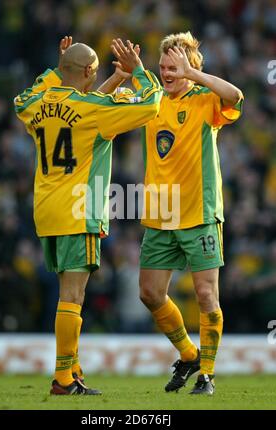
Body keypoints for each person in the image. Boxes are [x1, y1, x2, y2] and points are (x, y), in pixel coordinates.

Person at [14, 36, 162, 395]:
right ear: (90, 72)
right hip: (79, 211)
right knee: (72, 296)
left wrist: (67, 66)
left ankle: (72, 370)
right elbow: (151, 106)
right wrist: (139, 73)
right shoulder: (93, 108)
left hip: (47, 211)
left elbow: (26, 99)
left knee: (68, 293)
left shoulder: (37, 102)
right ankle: (63, 378)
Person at [112, 32, 243, 395]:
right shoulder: (151, 98)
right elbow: (106, 99)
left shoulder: (205, 100)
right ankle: (189, 355)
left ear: (191, 68)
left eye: (175, 67)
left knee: (206, 295)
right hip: (160, 215)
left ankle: (207, 375)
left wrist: (195, 74)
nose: (167, 73)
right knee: (150, 294)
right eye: (164, 66)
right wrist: (129, 73)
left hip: (199, 212)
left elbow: (235, 96)